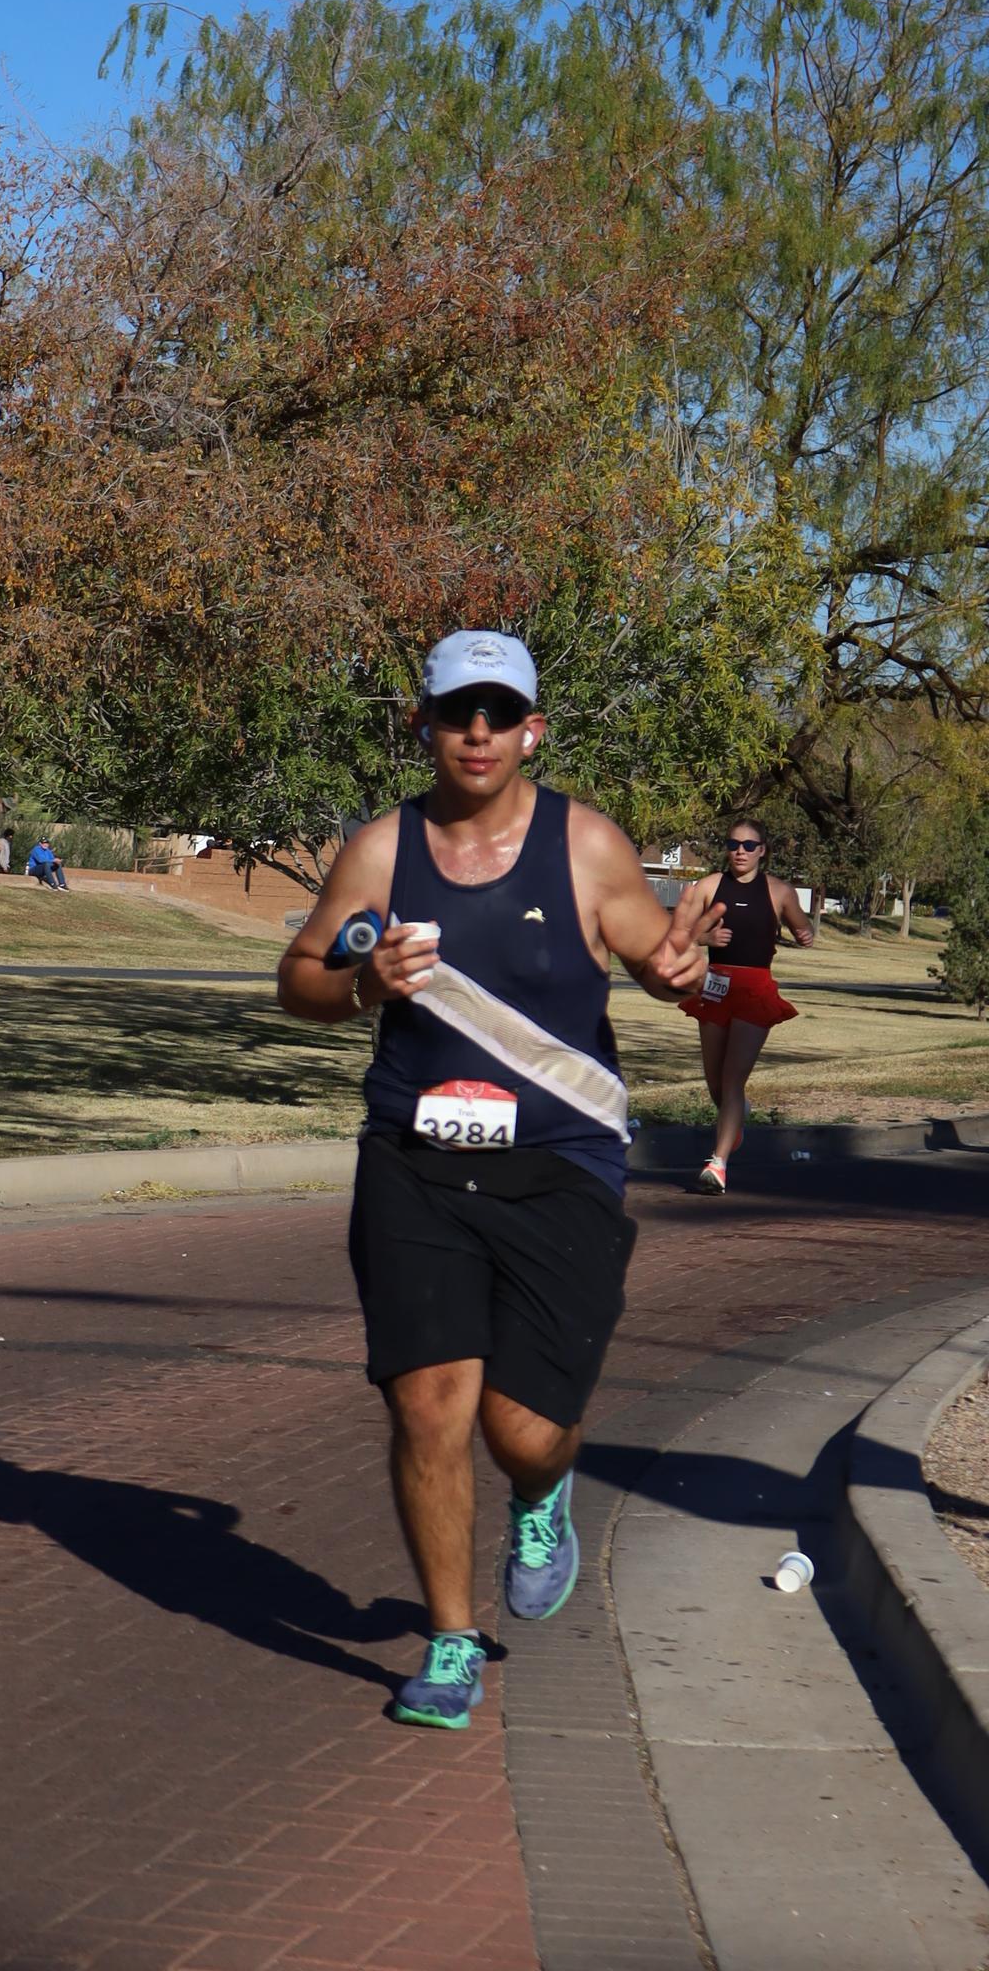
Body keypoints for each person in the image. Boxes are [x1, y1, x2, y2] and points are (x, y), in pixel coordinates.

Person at [278, 630, 718, 1732]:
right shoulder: (382, 848)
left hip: (560, 1163)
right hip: (414, 1162)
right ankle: (450, 1640)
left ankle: (539, 1489)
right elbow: (297, 980)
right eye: (457, 712)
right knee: (430, 1406)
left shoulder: (585, 845)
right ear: (422, 724)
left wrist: (681, 968)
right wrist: (363, 986)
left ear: (532, 731)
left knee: (520, 1429)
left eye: (500, 714)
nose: (477, 733)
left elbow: (657, 960)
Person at [681, 818, 813, 1195]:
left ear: (762, 851)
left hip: (754, 989)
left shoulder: (779, 891)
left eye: (749, 845)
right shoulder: (709, 886)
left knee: (732, 1079)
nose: (740, 851)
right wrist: (705, 937)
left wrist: (804, 934)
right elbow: (679, 933)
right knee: (715, 1080)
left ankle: (718, 1163)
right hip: (715, 986)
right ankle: (736, 1118)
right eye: (734, 844)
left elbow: (803, 930)